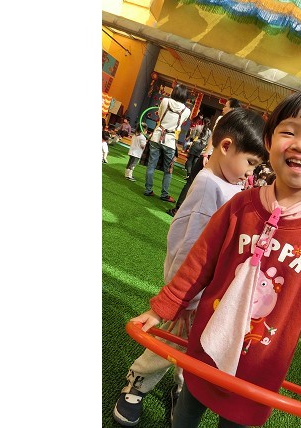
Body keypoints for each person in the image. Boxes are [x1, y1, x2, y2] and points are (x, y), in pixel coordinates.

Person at [130, 89, 301, 428]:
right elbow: (199, 263)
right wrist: (162, 308)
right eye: (289, 132)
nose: (300, 145)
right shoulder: (240, 206)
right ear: (269, 142)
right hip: (208, 345)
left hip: (259, 368)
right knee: (186, 413)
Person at [113, 108, 268, 427]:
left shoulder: (228, 184)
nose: (250, 173)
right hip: (190, 295)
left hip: (211, 294)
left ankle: (184, 390)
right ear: (226, 147)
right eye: (250, 163)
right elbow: (189, 247)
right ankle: (137, 384)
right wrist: (183, 298)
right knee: (170, 343)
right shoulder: (210, 186)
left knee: (200, 346)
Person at [166, 97, 241, 217]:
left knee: (192, 181)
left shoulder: (222, 119)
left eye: (225, 106)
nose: (223, 108)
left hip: (211, 156)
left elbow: (214, 137)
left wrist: (206, 154)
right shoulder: (238, 124)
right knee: (210, 187)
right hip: (222, 160)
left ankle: (179, 209)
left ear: (232, 109)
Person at [144, 84, 191, 203]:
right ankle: (164, 194)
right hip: (170, 141)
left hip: (156, 137)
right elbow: (181, 123)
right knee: (168, 170)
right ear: (185, 96)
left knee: (151, 165)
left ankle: (148, 190)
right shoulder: (187, 111)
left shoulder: (165, 101)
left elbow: (160, 115)